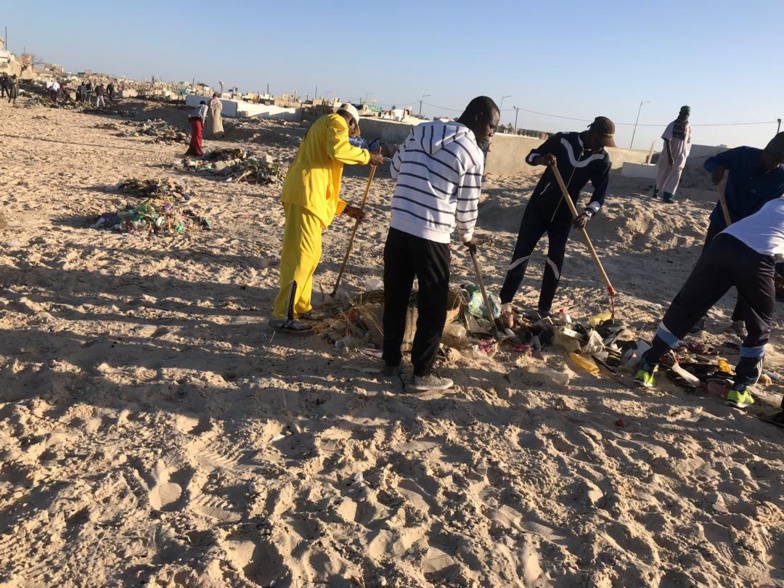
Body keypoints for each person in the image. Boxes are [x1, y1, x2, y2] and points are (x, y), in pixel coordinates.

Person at [382, 96, 500, 391]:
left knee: (395, 298)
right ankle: (422, 374)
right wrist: (467, 236)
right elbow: (467, 205)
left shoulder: (420, 130)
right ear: (476, 117)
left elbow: (394, 170)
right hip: (433, 236)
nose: (491, 134)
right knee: (432, 307)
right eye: (491, 126)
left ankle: (390, 363)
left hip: (399, 228)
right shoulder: (472, 151)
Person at [634, 196, 784, 409]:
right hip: (758, 257)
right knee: (759, 323)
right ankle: (739, 389)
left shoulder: (775, 202)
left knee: (687, 306)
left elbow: (767, 230)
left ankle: (647, 365)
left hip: (723, 243)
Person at [269, 103, 383, 331]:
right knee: (301, 258)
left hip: (306, 196)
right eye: (352, 132)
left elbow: (325, 183)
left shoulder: (323, 130)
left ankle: (301, 307)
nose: (349, 136)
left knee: (310, 256)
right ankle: (283, 315)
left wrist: (346, 208)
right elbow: (339, 149)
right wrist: (366, 156)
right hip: (304, 196)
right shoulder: (336, 122)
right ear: (351, 122)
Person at [499, 116, 615, 319]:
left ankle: (543, 309)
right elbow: (531, 156)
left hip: (564, 215)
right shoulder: (563, 140)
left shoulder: (601, 159)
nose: (602, 147)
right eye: (600, 141)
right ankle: (504, 300)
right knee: (522, 253)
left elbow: (599, 195)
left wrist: (587, 214)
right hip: (538, 208)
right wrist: (542, 160)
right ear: (591, 133)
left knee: (555, 260)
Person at [691, 132, 784, 335]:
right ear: (766, 150)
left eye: (779, 162)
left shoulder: (781, 175)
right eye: (773, 158)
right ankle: (698, 314)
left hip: (752, 231)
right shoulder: (743, 155)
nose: (774, 164)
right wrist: (718, 168)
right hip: (722, 223)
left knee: (750, 275)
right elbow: (711, 161)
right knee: (708, 268)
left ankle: (739, 321)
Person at [653, 106, 693, 203]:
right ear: (680, 113)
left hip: (681, 154)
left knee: (676, 174)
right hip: (668, 153)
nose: (684, 116)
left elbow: (687, 141)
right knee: (663, 172)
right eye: (683, 113)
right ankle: (656, 191)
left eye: (687, 114)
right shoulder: (672, 125)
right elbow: (667, 140)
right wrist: (670, 156)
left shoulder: (689, 127)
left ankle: (668, 195)